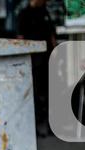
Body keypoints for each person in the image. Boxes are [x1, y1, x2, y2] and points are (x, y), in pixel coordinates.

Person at [17, 0, 58, 130]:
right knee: (35, 90)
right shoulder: (24, 14)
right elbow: (20, 38)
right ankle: (35, 121)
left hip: (47, 56)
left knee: (50, 89)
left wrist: (55, 51)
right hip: (33, 58)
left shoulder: (44, 11)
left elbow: (51, 34)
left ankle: (50, 122)